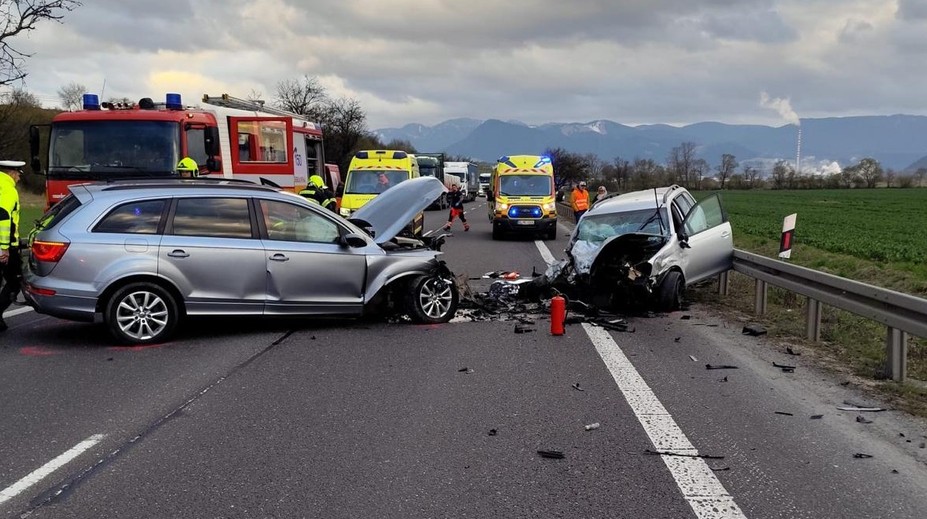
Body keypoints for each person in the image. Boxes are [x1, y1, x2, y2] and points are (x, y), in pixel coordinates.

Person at [0, 160, 25, 332]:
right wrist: (4, 248)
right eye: (18, 174)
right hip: (6, 246)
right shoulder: (8, 190)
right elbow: (3, 217)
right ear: (12, 173)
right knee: (15, 282)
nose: (19, 178)